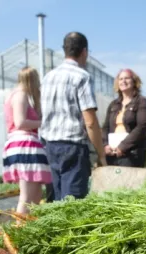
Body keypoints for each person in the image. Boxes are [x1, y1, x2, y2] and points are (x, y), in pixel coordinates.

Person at [39, 31, 107, 201]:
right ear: (84, 52)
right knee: (72, 206)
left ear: (65, 50)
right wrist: (101, 154)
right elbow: (90, 122)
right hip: (72, 148)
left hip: (50, 147)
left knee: (55, 202)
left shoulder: (48, 77)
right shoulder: (81, 76)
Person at [1, 67, 52, 215]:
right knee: (27, 196)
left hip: (20, 145)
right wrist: (44, 122)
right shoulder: (21, 95)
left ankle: (27, 228)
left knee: (35, 194)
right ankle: (18, 232)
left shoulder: (12, 95)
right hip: (24, 145)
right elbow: (20, 122)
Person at [102, 69, 146, 168]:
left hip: (132, 154)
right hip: (112, 153)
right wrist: (105, 145)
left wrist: (123, 147)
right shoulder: (113, 104)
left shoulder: (141, 102)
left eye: (127, 78)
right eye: (120, 79)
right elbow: (106, 127)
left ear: (134, 82)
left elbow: (142, 127)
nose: (123, 81)